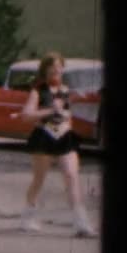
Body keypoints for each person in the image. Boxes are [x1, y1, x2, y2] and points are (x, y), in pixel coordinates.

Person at [17, 52, 97, 237]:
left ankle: (81, 223)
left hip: (64, 137)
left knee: (71, 176)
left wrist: (69, 111)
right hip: (44, 137)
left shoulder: (66, 90)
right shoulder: (38, 91)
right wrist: (50, 110)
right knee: (39, 180)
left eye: (59, 68)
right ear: (45, 70)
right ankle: (28, 216)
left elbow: (67, 113)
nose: (56, 72)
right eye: (52, 69)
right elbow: (27, 115)